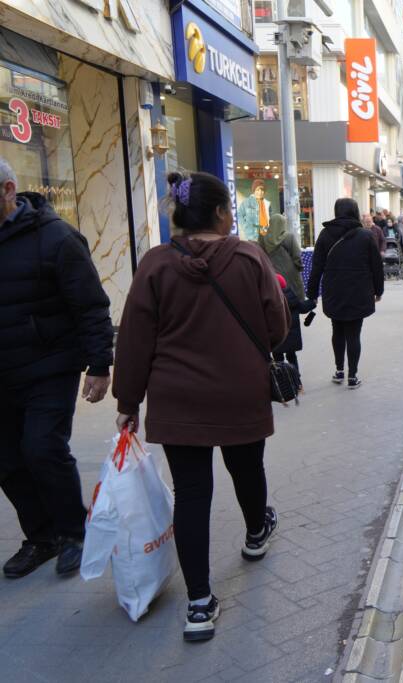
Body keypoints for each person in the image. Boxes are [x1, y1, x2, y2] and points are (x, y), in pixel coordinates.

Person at [113, 171, 289, 641]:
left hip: (176, 399)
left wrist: (127, 401)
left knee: (192, 495)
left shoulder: (154, 265)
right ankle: (256, 534)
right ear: (218, 212)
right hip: (240, 393)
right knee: (247, 469)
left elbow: (134, 340)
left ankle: (198, 604)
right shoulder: (249, 258)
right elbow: (277, 329)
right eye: (229, 206)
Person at [0, 157, 114, 580]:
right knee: (7, 461)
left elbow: (90, 305)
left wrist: (100, 363)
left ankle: (74, 533)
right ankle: (41, 537)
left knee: (42, 449)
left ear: (8, 191)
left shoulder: (57, 238)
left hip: (48, 366)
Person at [307, 198, 385, 388]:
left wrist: (311, 294)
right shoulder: (365, 236)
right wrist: (378, 290)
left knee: (337, 331)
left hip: (334, 291)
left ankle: (339, 370)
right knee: (354, 334)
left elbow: (316, 267)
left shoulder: (325, 235)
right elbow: (376, 267)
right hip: (359, 291)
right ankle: (353, 376)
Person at [273, 273, 316, 390]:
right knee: (292, 357)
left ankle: (282, 384)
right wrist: (312, 303)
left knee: (278, 360)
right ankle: (297, 382)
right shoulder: (292, 298)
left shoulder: (271, 301)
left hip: (277, 338)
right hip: (292, 338)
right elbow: (302, 308)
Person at [258, 213, 304, 298]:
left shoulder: (262, 238)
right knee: (293, 301)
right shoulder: (289, 237)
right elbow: (297, 256)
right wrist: (299, 267)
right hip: (291, 275)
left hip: (272, 274)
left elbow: (260, 255)